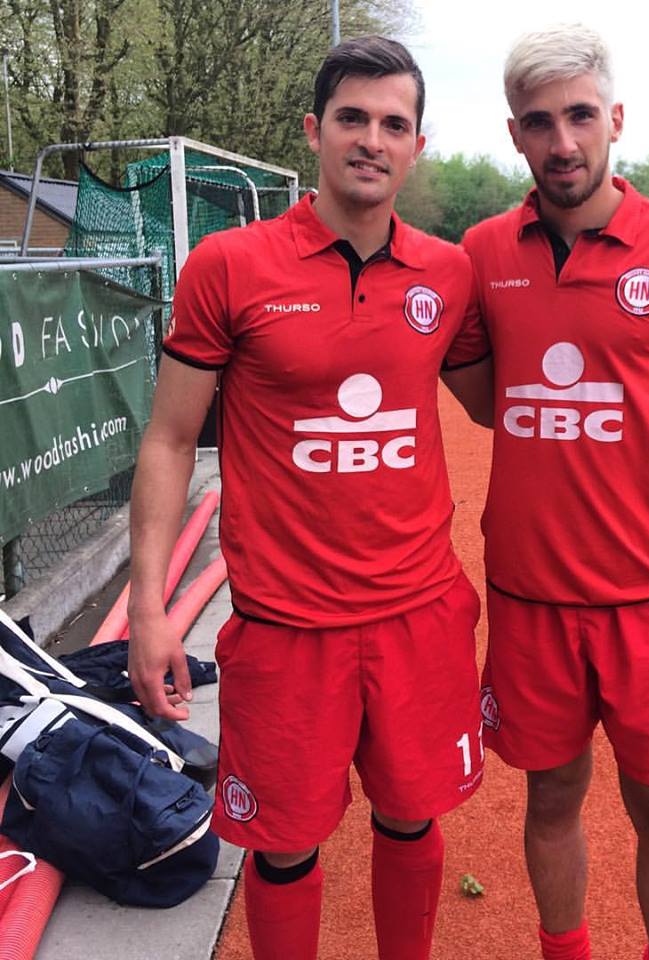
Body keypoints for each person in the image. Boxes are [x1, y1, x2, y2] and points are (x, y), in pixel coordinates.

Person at [126, 37, 490, 960]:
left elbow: (500, 402)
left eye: (394, 124)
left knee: (411, 818)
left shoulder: (448, 274)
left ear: (417, 145)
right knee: (284, 846)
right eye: (352, 118)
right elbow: (169, 440)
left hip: (417, 613)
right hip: (287, 626)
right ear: (314, 131)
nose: (372, 139)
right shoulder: (229, 266)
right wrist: (149, 610)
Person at [454, 24, 649, 960]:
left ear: (615, 119)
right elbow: (483, 401)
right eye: (540, 122)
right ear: (515, 134)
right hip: (531, 596)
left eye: (581, 115)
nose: (564, 141)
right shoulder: (481, 253)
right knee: (550, 796)